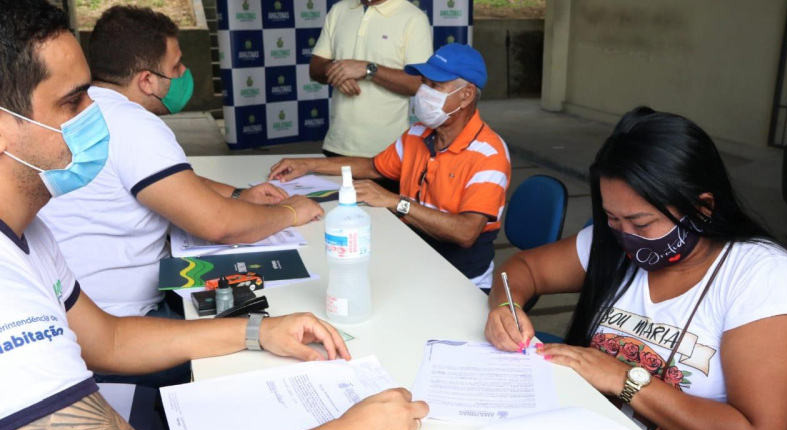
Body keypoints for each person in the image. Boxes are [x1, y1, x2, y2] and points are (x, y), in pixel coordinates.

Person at [0, 3, 428, 430]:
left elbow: (107, 340)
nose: (96, 112)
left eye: (90, 92)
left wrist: (257, 331)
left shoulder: (29, 232)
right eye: (73, 102)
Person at [485, 107, 787, 430]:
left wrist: (624, 378)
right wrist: (505, 307)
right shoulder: (612, 245)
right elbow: (521, 270)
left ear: (702, 207)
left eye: (642, 222)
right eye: (613, 219)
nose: (625, 235)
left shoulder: (761, 278)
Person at [39, 6, 323, 320]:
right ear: (147, 81)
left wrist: (238, 195)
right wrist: (291, 212)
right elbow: (220, 225)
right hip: (123, 321)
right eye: (176, 67)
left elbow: (160, 182)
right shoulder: (131, 124)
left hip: (76, 311)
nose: (185, 72)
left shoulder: (87, 110)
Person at [271, 44, 511, 291]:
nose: (424, 92)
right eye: (424, 83)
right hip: (411, 260)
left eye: (435, 86)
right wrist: (307, 164)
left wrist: (396, 201)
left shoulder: (489, 154)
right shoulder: (418, 133)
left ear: (467, 94)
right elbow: (372, 167)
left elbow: (466, 232)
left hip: (461, 282)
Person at [310, 0, 432, 158]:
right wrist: (338, 72)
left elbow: (418, 83)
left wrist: (368, 69)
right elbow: (315, 68)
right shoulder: (339, 10)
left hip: (388, 152)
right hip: (337, 145)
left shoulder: (414, 18)